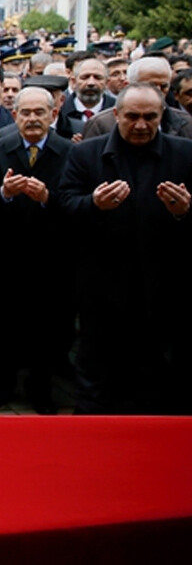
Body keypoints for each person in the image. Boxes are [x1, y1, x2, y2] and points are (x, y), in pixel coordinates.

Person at [56, 83, 192, 413]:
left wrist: (184, 213)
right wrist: (94, 204)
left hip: (161, 287)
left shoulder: (185, 153)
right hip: (101, 286)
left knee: (154, 375)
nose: (141, 125)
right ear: (116, 114)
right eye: (132, 116)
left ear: (163, 116)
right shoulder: (86, 153)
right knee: (95, 374)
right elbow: (64, 207)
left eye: (150, 117)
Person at [0, 86, 74, 414]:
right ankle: (2, 385)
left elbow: (76, 204)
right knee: (3, 330)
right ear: (14, 116)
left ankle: (41, 389)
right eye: (25, 113)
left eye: (39, 112)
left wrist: (48, 199)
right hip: (6, 259)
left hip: (51, 259)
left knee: (48, 331)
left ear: (53, 115)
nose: (32, 119)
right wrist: (4, 193)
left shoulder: (69, 153)